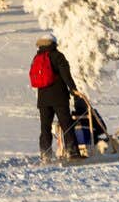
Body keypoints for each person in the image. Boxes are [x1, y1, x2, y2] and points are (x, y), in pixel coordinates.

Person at [29, 33, 83, 162]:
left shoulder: (37, 57)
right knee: (66, 124)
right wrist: (73, 89)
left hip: (43, 99)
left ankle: (45, 154)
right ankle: (72, 152)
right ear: (53, 43)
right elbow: (66, 75)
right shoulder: (58, 56)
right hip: (59, 97)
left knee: (45, 127)